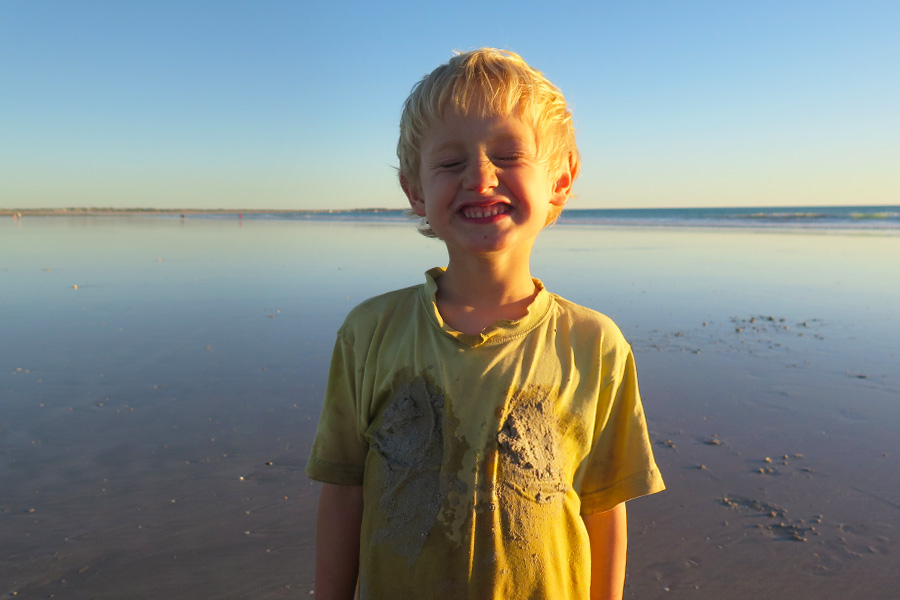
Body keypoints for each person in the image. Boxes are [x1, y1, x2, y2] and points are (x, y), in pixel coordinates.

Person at [306, 48, 665, 600]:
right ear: (416, 191)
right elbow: (344, 489)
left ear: (560, 181)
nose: (480, 176)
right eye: (450, 163)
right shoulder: (370, 332)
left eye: (508, 154)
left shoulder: (594, 344)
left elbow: (603, 504)